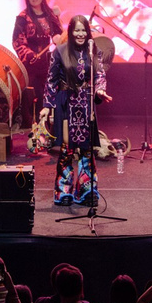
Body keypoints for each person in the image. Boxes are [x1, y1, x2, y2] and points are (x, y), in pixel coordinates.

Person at [41, 14, 110, 208]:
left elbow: (99, 75)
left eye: (83, 30)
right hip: (66, 103)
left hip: (86, 102)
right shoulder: (60, 51)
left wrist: (100, 89)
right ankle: (63, 189)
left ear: (88, 32)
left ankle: (86, 188)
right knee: (68, 148)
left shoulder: (93, 51)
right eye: (76, 30)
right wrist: (48, 106)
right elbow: (51, 81)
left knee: (86, 149)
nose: (80, 34)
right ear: (71, 32)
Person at [12, 0, 63, 127]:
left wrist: (57, 37)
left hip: (47, 63)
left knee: (51, 95)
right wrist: (29, 55)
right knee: (38, 97)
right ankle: (37, 130)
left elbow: (59, 34)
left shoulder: (50, 14)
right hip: (30, 65)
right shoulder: (23, 17)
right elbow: (17, 42)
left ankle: (51, 129)